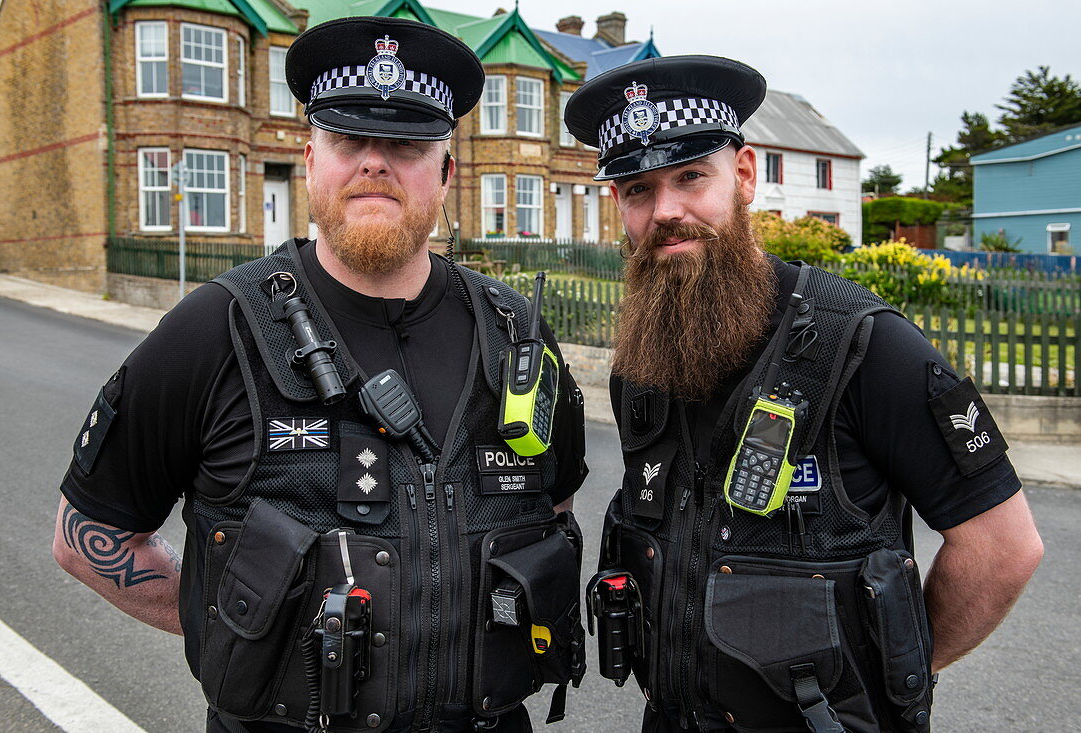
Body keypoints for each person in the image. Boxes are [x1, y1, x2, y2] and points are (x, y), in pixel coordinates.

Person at [53, 16, 588, 733]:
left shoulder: (517, 331)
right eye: (348, 141)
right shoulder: (218, 327)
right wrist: (251, 628)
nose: (374, 162)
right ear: (310, 159)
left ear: (445, 172)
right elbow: (87, 533)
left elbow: (554, 511)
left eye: (403, 143)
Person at [566, 56, 1043, 732]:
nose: (666, 210)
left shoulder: (866, 346)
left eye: (690, 177)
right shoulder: (641, 365)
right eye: (638, 189)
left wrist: (895, 671)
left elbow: (1003, 545)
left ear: (745, 174)